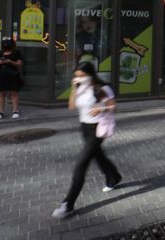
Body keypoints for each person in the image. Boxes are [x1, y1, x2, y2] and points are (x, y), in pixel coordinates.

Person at [52, 61, 122, 219]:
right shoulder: (80, 88)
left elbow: (114, 107)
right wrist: (74, 89)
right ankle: (114, 176)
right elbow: (71, 106)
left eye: (82, 76)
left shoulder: (101, 88)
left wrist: (101, 108)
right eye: (76, 76)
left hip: (97, 129)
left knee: (81, 164)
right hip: (84, 127)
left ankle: (68, 204)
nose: (79, 78)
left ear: (90, 74)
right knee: (98, 155)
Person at [0, 38, 24, 120]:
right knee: (1, 94)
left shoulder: (16, 52)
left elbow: (19, 63)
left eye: (7, 44)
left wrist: (10, 61)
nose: (5, 45)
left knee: (14, 93)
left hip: (13, 75)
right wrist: (1, 62)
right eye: (4, 44)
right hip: (1, 75)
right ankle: (1, 112)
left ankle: (15, 110)